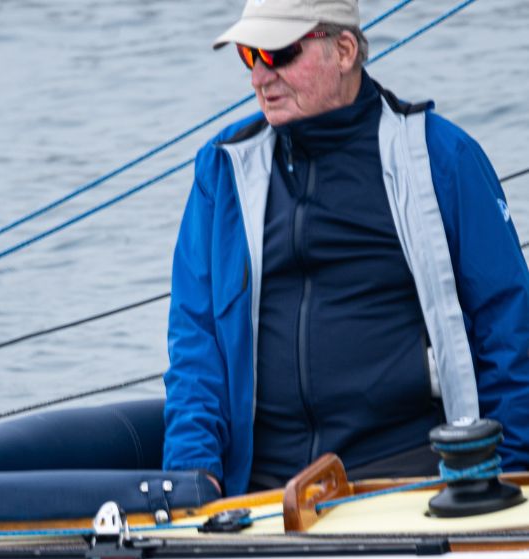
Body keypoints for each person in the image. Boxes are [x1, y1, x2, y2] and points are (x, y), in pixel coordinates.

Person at [164, 0, 529, 495]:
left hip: (407, 475)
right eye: (250, 56)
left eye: (279, 54)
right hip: (266, 487)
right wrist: (191, 473)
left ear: (343, 50)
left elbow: (507, 327)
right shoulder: (222, 172)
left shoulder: (442, 159)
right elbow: (196, 339)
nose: (259, 78)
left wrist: (509, 473)